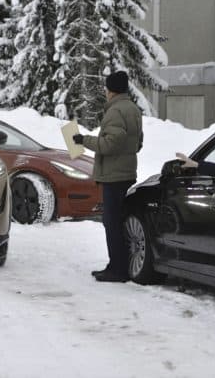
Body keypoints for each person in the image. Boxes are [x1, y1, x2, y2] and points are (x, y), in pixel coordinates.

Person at [72, 71, 143, 283]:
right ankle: (119, 265)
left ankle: (117, 269)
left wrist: (84, 140)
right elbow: (137, 143)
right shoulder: (133, 110)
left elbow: (110, 143)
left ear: (111, 90)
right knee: (119, 221)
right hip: (127, 172)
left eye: (106, 88)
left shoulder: (115, 112)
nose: (105, 91)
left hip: (114, 175)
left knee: (111, 222)